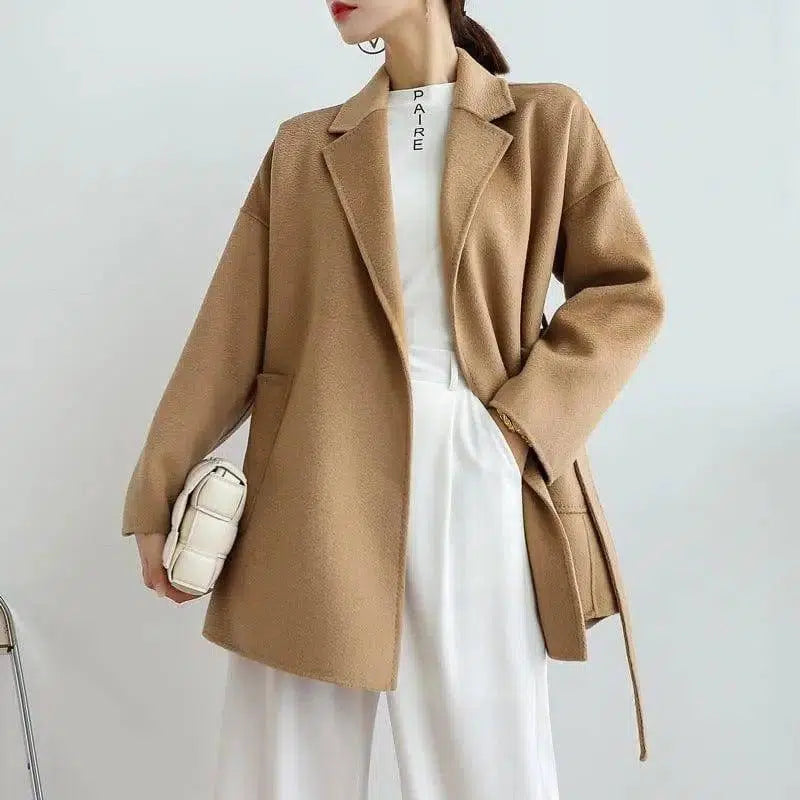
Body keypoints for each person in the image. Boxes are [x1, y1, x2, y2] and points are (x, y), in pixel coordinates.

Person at [122, 1, 665, 797]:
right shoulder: (302, 148)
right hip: (313, 475)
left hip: (473, 466)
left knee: (485, 768)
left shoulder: (547, 122)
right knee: (285, 772)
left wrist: (514, 431)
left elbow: (626, 291)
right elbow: (228, 336)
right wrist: (157, 486)